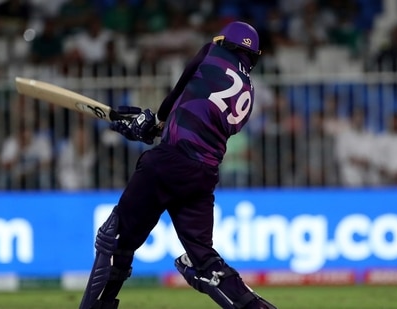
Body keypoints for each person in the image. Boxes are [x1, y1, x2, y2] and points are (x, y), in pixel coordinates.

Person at [79, 21, 277, 309]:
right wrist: (155, 126)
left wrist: (152, 121)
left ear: (224, 42)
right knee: (204, 261)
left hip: (169, 163)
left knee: (115, 238)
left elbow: (179, 91)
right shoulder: (248, 90)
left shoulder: (213, 52)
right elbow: (198, 118)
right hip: (203, 175)